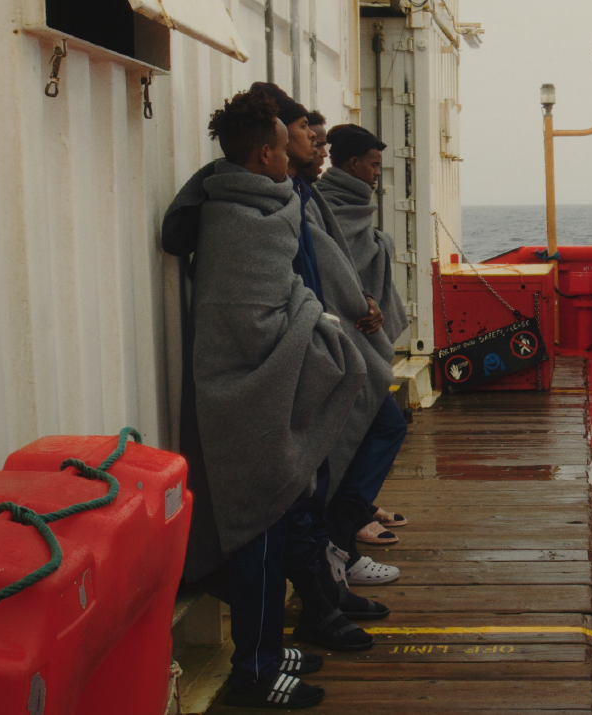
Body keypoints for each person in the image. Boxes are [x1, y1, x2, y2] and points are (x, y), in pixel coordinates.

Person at [161, 88, 363, 709]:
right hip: (244, 400)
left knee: (271, 538)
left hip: (258, 394)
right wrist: (312, 313)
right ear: (263, 155)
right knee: (257, 539)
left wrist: (303, 308)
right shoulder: (237, 220)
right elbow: (250, 322)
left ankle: (268, 647)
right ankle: (254, 671)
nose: (288, 157)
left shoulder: (255, 204)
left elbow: (280, 297)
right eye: (281, 146)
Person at [250, 83, 405, 592]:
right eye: (307, 137)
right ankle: (336, 549)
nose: (319, 148)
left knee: (361, 437)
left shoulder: (306, 194)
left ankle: (333, 560)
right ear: (271, 144)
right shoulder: (282, 199)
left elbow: (330, 264)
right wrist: (356, 305)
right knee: (366, 434)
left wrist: (363, 300)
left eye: (320, 140)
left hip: (329, 333)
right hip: (317, 341)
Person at [316, 124, 414, 559]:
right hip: (342, 338)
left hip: (357, 332)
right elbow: (331, 272)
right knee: (385, 425)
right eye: (373, 165)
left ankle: (354, 510)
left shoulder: (348, 203)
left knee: (375, 426)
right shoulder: (326, 205)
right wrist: (362, 298)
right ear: (353, 164)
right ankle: (346, 521)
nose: (377, 173)